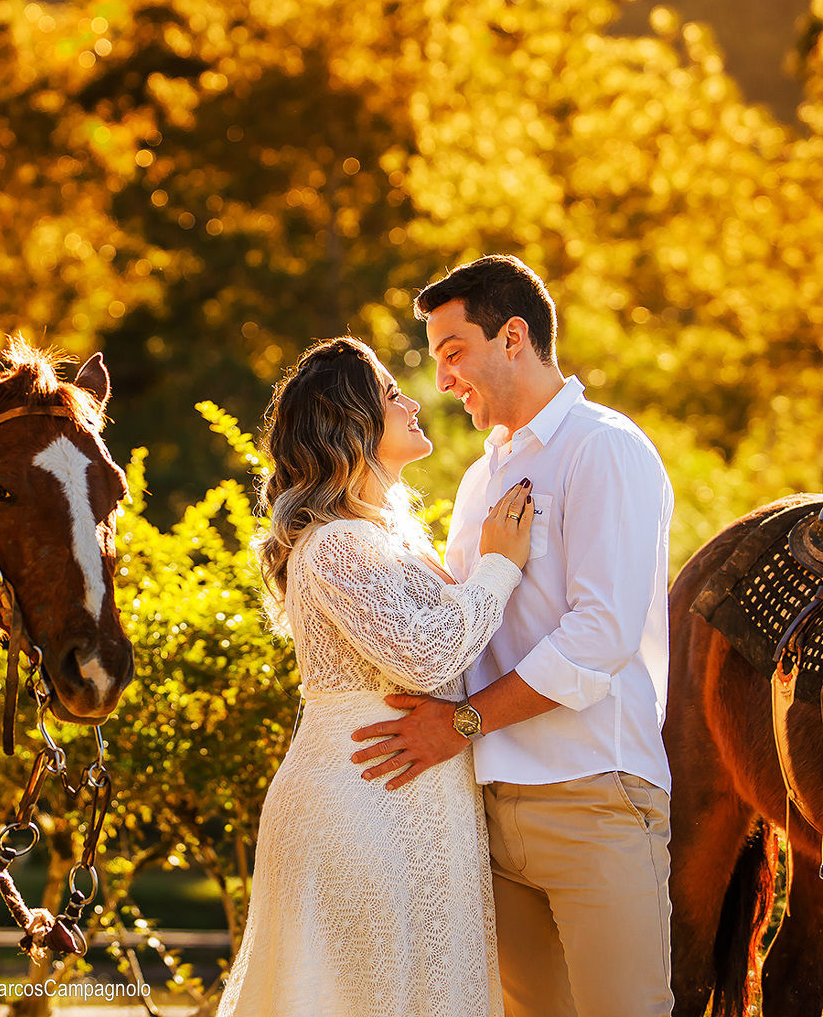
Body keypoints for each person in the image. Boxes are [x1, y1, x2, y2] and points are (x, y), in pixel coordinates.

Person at [350, 254, 675, 1017]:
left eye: (453, 353)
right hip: (487, 811)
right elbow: (458, 627)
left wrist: (460, 724)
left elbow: (598, 636)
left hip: (592, 797)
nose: (443, 381)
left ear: (514, 337)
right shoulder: (478, 479)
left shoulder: (605, 447)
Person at [217, 335, 534, 1017]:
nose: (414, 401)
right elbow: (426, 658)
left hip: (412, 800)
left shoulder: (386, 538)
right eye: (392, 394)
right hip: (357, 807)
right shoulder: (335, 544)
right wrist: (499, 566)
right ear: (350, 420)